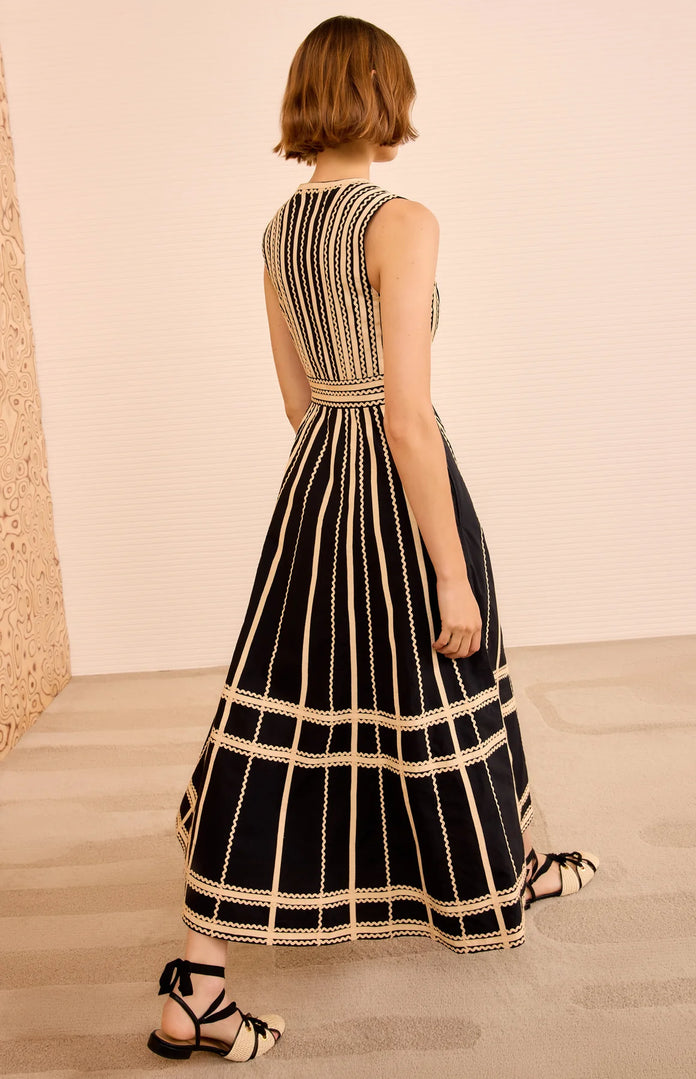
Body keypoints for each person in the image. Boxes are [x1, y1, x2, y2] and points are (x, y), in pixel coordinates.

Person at [146, 14, 599, 1063]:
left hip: (316, 482)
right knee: (456, 661)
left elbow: (300, 401)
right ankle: (503, 864)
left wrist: (331, 498)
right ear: (384, 98)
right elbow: (406, 412)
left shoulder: (278, 230)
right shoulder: (401, 219)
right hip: (395, 472)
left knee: (284, 702)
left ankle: (199, 979)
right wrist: (444, 562)